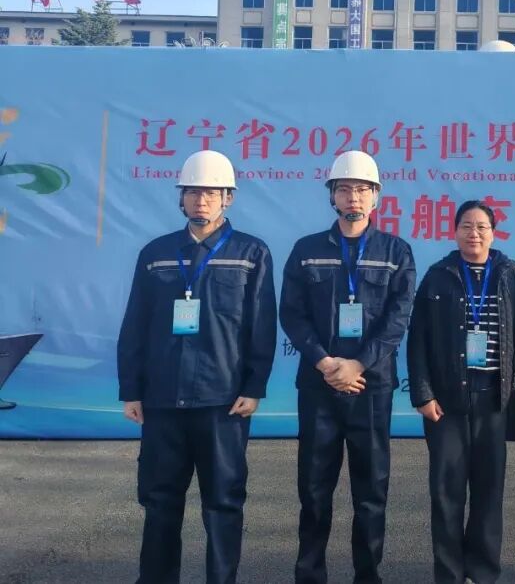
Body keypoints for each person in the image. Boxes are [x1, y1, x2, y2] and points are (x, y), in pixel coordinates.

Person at [117, 149, 277, 584]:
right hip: (163, 401)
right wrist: (131, 390)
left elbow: (262, 326)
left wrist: (254, 387)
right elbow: (135, 324)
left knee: (223, 503)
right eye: (192, 192)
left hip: (222, 403)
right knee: (159, 502)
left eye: (211, 193)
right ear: (181, 198)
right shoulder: (156, 253)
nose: (201, 200)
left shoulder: (251, 253)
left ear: (228, 198)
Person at [279, 150, 416, 584]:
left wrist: (358, 363)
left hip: (371, 388)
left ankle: (367, 575)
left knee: (371, 491)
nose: (353, 197)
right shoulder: (306, 250)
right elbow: (292, 313)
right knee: (314, 488)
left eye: (362, 189)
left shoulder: (396, 251)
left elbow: (398, 317)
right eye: (344, 189)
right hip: (319, 385)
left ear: (376, 196)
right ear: (332, 196)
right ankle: (309, 574)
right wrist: (325, 362)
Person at [407, 200, 515, 584]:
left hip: (494, 398)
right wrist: (423, 394)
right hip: (446, 401)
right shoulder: (439, 276)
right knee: (446, 492)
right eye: (467, 226)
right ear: (454, 232)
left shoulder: (511, 274)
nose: (474, 233)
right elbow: (418, 339)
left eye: (482, 227)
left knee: (489, 491)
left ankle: (483, 572)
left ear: (494, 233)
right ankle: (450, 574)